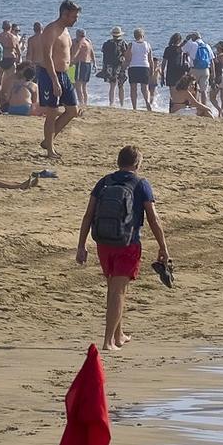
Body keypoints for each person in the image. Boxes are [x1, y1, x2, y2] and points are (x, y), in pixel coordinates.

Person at [75, 145, 170, 353]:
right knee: (118, 291)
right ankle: (108, 341)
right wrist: (163, 247)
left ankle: (119, 335)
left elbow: (88, 214)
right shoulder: (141, 184)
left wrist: (81, 245)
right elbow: (153, 219)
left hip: (104, 242)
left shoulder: (104, 182)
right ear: (137, 164)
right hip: (128, 243)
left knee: (115, 288)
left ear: (118, 162)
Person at [36, 0, 81, 157]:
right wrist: (54, 80)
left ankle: (48, 139)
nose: (76, 20)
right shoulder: (51, 29)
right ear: (64, 14)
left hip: (65, 74)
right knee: (52, 112)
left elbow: (67, 57)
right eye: (74, 17)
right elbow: (47, 56)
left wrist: (70, 79)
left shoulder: (66, 31)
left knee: (73, 110)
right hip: (49, 74)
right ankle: (50, 149)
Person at [126, 28, 155, 111]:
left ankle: (134, 107)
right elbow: (151, 59)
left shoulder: (131, 44)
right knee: (145, 87)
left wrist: (124, 66)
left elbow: (128, 58)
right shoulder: (147, 44)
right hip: (145, 66)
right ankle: (147, 102)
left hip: (134, 67)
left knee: (133, 88)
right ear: (142, 36)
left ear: (134, 36)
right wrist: (152, 70)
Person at [99, 27, 127, 108]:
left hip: (109, 66)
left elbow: (104, 56)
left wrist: (103, 67)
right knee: (121, 86)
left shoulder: (107, 43)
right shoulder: (123, 43)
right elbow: (126, 55)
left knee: (112, 86)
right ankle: (122, 104)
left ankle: (112, 103)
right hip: (119, 65)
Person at [72, 29, 94, 108]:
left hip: (81, 64)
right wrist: (94, 63)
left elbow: (76, 52)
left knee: (78, 85)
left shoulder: (80, 42)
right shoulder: (88, 41)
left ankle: (81, 103)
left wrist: (70, 61)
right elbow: (92, 52)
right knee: (84, 86)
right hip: (88, 64)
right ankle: (85, 102)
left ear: (78, 35)